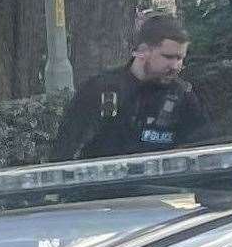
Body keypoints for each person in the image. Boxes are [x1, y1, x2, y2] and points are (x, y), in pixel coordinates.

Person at [49, 14, 212, 161]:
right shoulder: (101, 89)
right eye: (168, 57)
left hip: (163, 189)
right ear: (142, 51)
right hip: (103, 189)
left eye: (180, 58)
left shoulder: (183, 96)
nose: (176, 65)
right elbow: (66, 148)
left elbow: (201, 147)